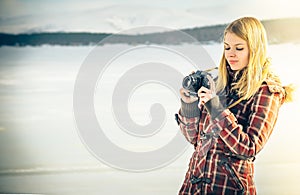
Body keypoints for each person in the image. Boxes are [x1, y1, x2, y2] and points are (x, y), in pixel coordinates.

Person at [176, 16, 294, 194]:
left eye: (239, 48)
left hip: (229, 187)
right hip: (194, 187)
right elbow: (194, 139)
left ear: (255, 50)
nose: (230, 54)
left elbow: (249, 148)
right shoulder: (217, 83)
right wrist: (189, 105)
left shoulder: (266, 92)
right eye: (226, 47)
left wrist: (216, 108)